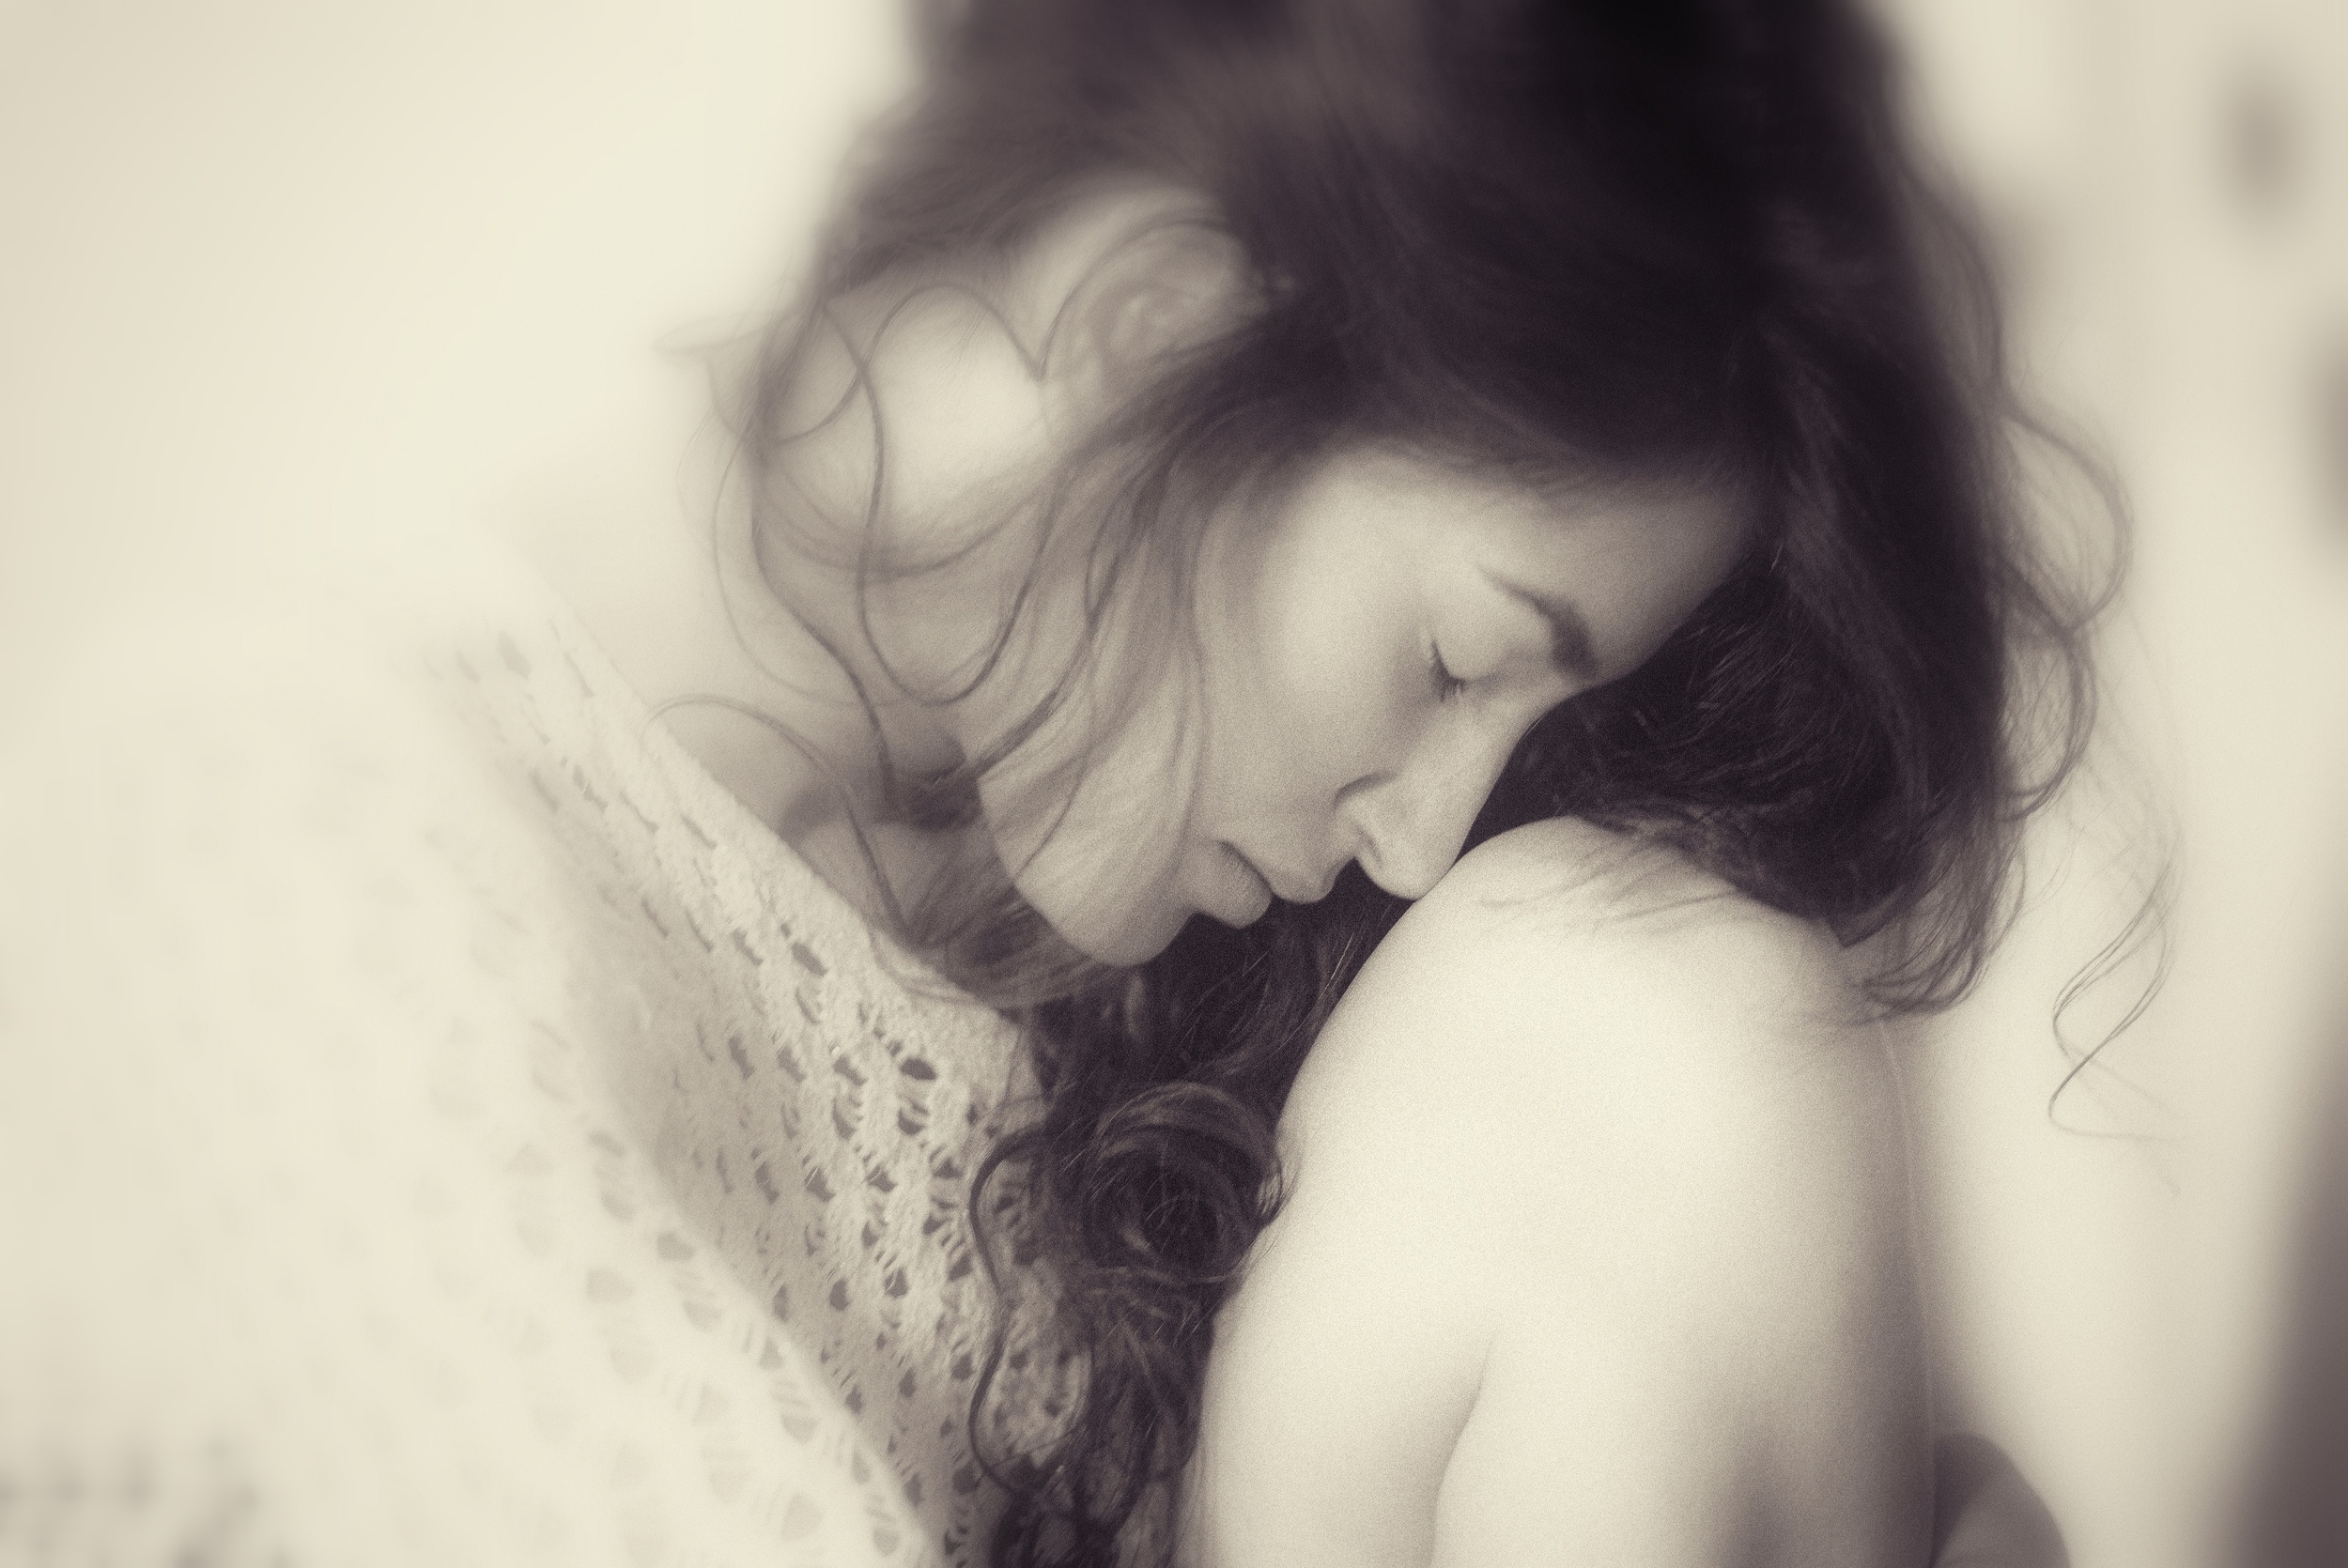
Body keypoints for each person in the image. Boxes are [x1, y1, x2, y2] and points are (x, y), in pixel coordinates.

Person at [0, 1, 2094, 1566]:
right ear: (1150, 319)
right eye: (1454, 662)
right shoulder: (274, 814)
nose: (1424, 830)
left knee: (1666, 1020)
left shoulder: (1184, 926)